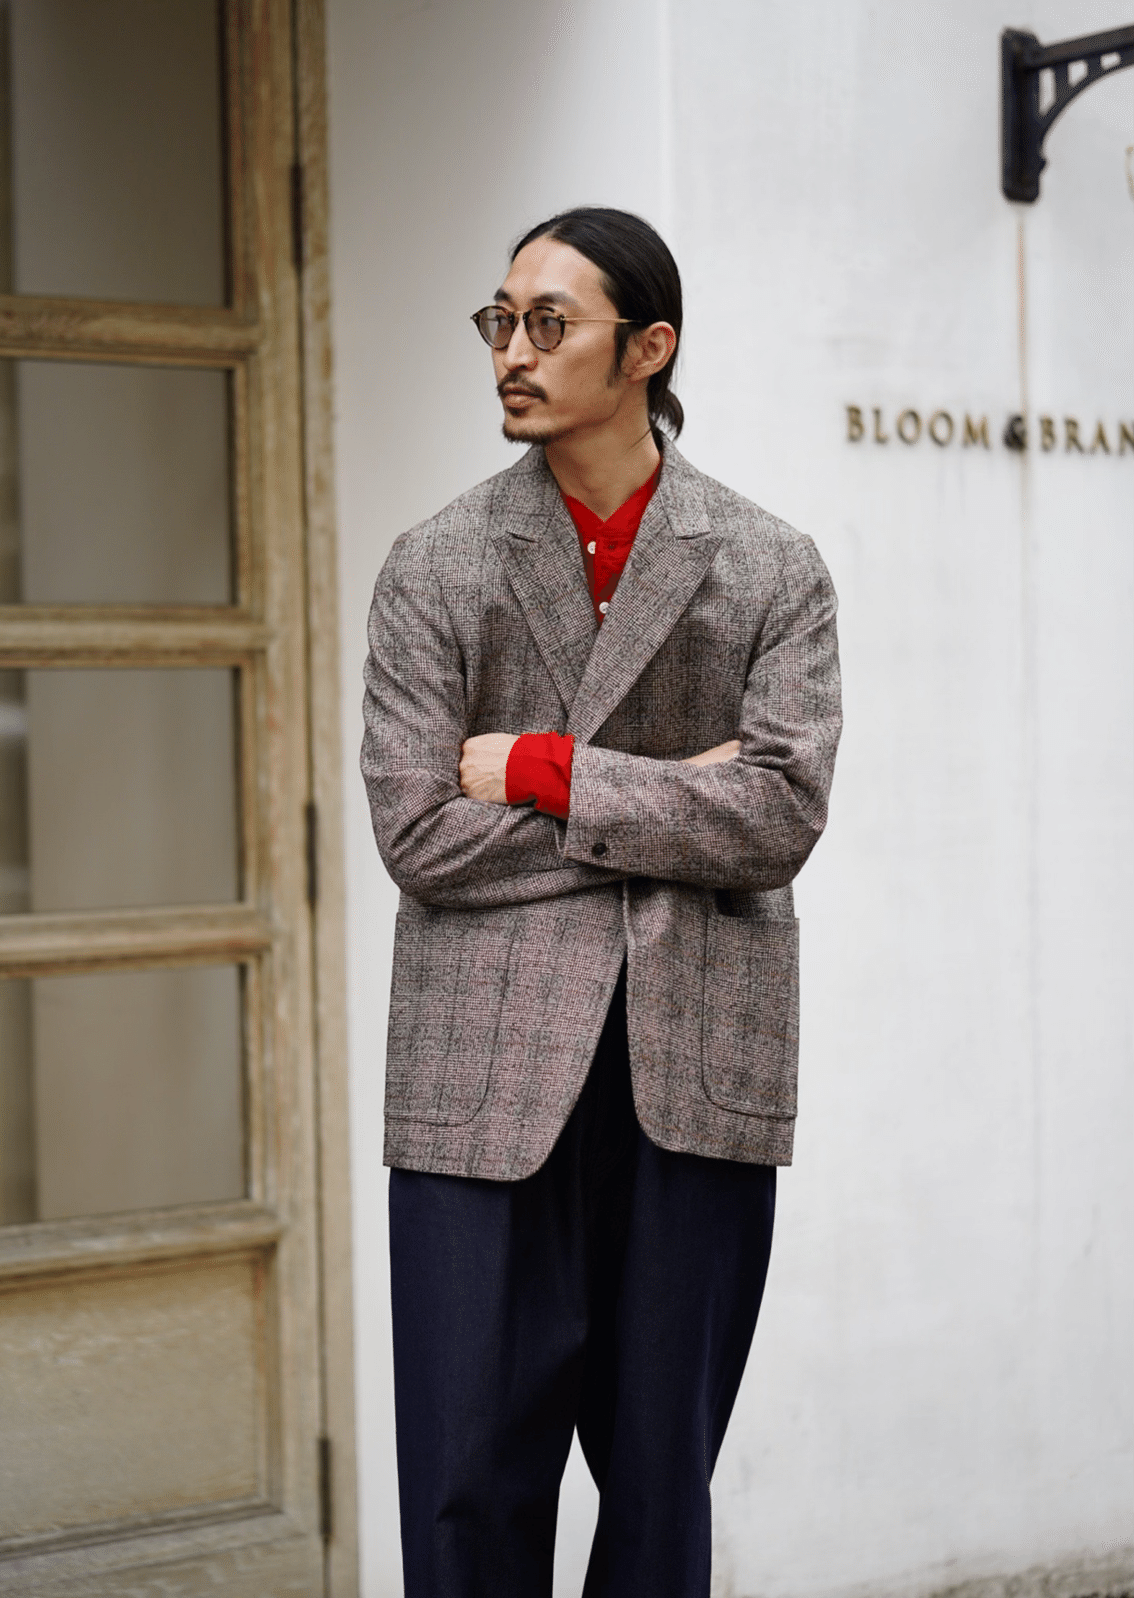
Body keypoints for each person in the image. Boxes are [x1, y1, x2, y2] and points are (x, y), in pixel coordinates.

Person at [361, 206, 842, 1598]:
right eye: (498, 321)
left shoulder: (770, 564)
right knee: (463, 1503)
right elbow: (418, 833)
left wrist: (546, 770)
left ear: (649, 348)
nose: (511, 352)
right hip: (476, 1088)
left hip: (693, 1078)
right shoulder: (435, 563)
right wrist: (672, 801)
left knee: (657, 1506)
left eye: (548, 324)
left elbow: (780, 816)